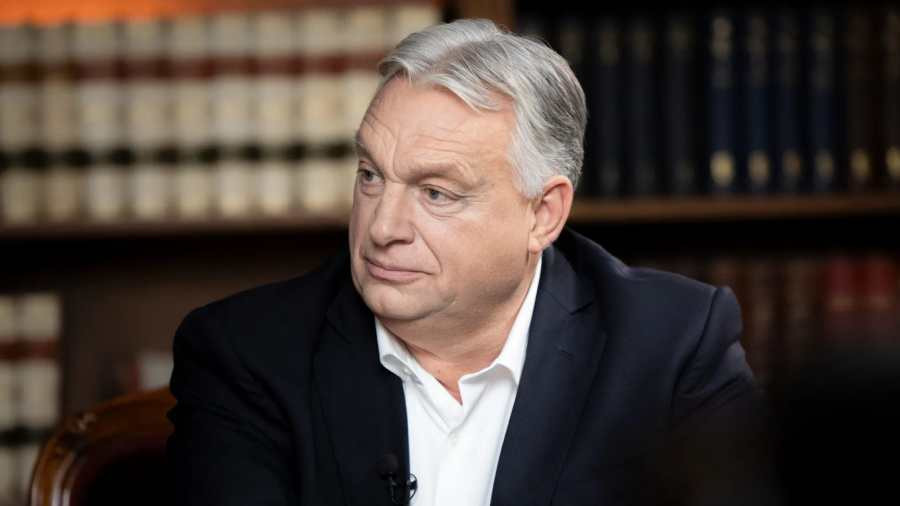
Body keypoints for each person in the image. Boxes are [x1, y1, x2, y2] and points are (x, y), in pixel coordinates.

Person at [166, 18, 761, 506]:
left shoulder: (673, 346)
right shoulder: (247, 355)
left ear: (543, 214)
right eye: (371, 175)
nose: (383, 228)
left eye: (436, 193)